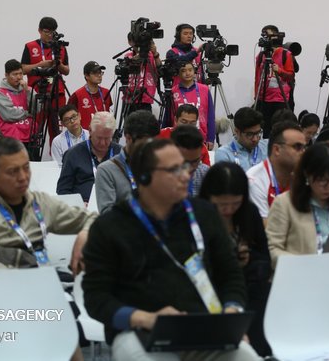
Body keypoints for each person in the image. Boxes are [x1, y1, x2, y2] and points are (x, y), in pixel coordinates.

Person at [82, 138, 258, 360]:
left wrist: (231, 313)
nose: (186, 175)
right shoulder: (111, 227)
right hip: (139, 331)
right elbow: (95, 298)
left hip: (204, 326)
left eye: (184, 166)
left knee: (247, 356)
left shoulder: (204, 214)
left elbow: (231, 275)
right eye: (174, 170)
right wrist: (144, 318)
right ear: (145, 177)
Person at [0, 137, 96, 361]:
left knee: (67, 343)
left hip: (38, 287)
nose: (23, 178)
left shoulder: (39, 202)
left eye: (25, 168)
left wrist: (85, 233)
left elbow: (92, 219)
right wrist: (28, 290)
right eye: (12, 172)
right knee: (46, 333)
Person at [265, 143, 329, 343]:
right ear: (307, 176)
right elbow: (272, 249)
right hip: (297, 280)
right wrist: (308, 265)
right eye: (322, 181)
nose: (328, 187)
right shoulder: (285, 203)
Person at [199, 162, 272, 357]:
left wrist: (248, 257)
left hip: (249, 282)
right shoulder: (198, 215)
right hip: (209, 284)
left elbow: (264, 254)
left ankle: (258, 352)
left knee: (264, 288)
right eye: (221, 204)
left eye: (235, 203)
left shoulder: (249, 212)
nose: (228, 210)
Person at [95, 110, 159, 213]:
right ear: (128, 138)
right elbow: (107, 216)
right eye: (144, 144)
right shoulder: (107, 170)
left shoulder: (159, 165)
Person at [21, 16, 70, 144]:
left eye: (52, 32)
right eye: (46, 31)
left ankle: (58, 160)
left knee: (57, 133)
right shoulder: (30, 46)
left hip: (57, 93)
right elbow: (23, 69)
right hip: (37, 93)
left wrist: (57, 64)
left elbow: (67, 71)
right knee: (36, 131)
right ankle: (33, 160)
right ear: (39, 30)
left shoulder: (60, 47)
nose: (49, 35)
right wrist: (41, 64)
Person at [247, 121, 305, 223]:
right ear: (277, 149)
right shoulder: (254, 180)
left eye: (304, 147)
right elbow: (267, 230)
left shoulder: (303, 177)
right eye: (297, 147)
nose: (303, 152)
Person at [57, 112, 121, 202]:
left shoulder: (121, 154)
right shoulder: (73, 154)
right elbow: (62, 190)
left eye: (107, 138)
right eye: (99, 138)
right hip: (82, 210)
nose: (102, 143)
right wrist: (78, 204)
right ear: (90, 130)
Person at [253, 25, 295, 137]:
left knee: (280, 131)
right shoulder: (261, 56)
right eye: (264, 35)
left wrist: (280, 71)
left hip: (280, 99)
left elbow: (290, 76)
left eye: (268, 35)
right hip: (264, 98)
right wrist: (256, 95)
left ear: (276, 36)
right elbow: (257, 77)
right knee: (265, 131)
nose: (265, 37)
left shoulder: (286, 54)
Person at [171, 61, 215, 149]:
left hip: (201, 138)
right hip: (178, 138)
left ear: (194, 72)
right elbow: (169, 117)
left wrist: (211, 138)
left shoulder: (204, 89)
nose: (187, 73)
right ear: (178, 74)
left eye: (190, 70)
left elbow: (210, 115)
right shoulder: (173, 91)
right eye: (183, 71)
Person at [0, 59, 32, 146]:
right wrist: (28, 113)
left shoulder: (28, 90)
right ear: (6, 75)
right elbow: (9, 115)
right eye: (15, 74)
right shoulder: (0, 93)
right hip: (10, 139)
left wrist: (27, 92)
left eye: (21, 73)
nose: (19, 77)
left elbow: (37, 109)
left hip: (30, 137)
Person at [123, 32, 162, 114]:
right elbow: (124, 73)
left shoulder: (152, 56)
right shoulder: (128, 56)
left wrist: (155, 53)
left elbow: (160, 70)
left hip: (146, 99)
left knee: (146, 125)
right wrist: (134, 60)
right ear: (130, 42)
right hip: (130, 99)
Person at [68, 61, 113, 131]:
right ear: (86, 76)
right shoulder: (77, 95)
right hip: (85, 137)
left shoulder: (106, 92)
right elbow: (69, 117)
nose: (99, 75)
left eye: (100, 72)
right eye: (95, 73)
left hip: (104, 134)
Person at [171, 125, 209, 197]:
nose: (190, 167)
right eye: (185, 162)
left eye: (195, 161)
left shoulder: (205, 173)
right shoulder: (162, 176)